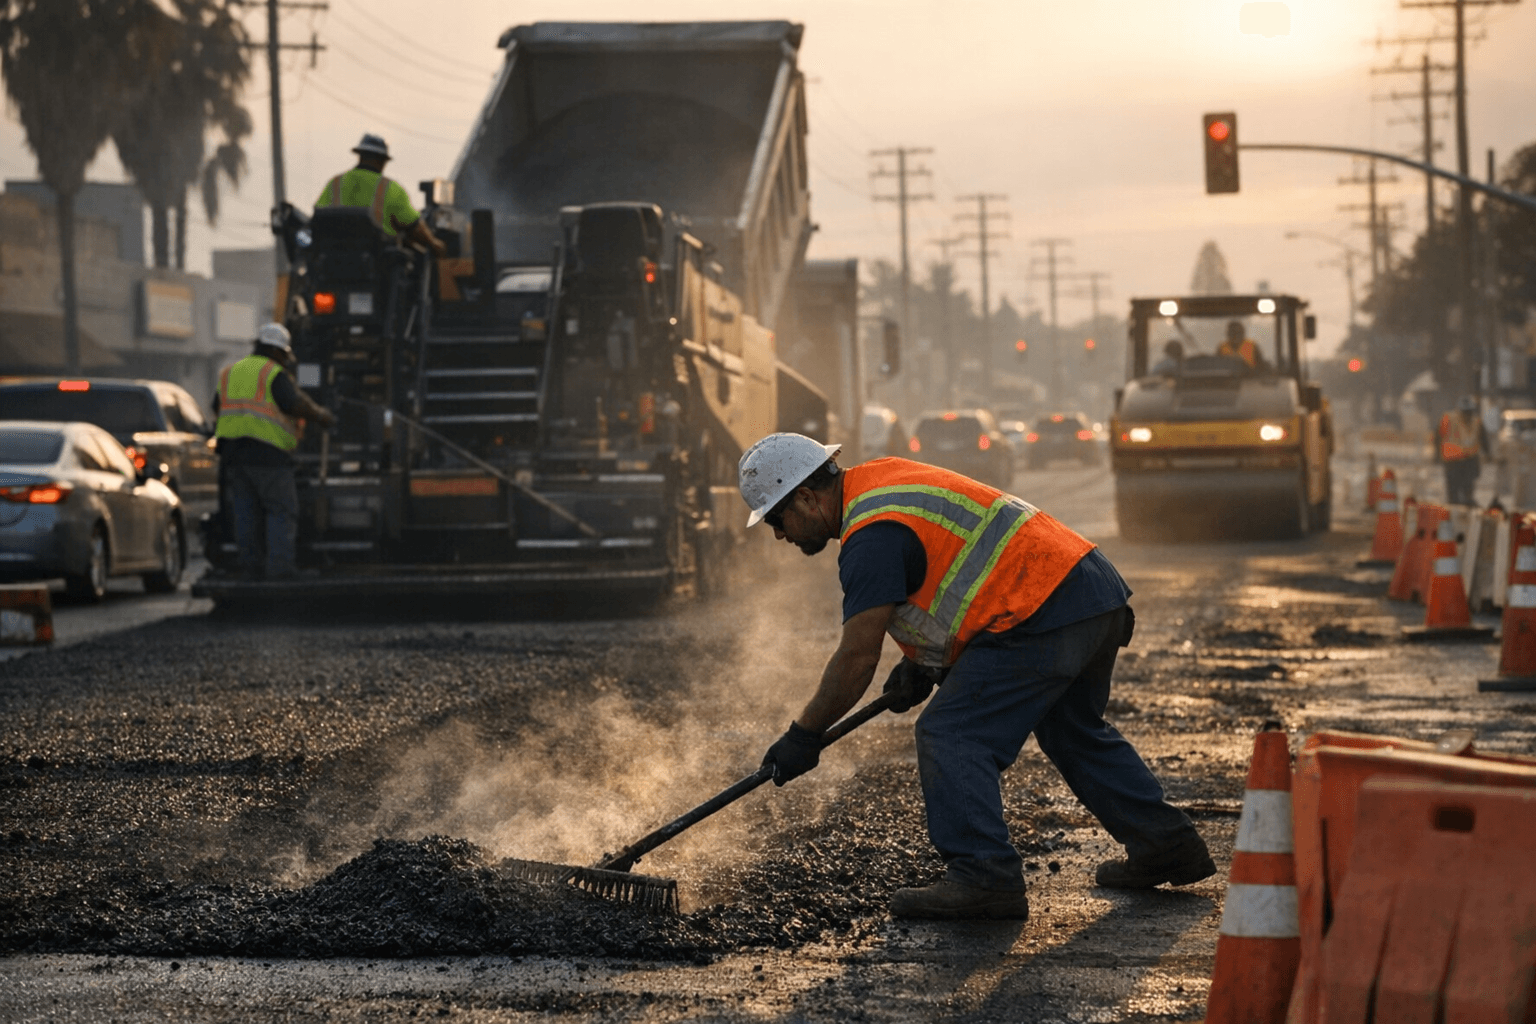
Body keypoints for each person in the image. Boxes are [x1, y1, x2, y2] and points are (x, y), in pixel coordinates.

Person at [741, 433, 1213, 921]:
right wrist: (921, 663)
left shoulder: (870, 536)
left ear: (804, 497)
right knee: (1073, 731)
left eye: (777, 520)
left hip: (1040, 609)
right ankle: (1166, 845)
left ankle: (984, 877)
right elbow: (956, 574)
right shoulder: (882, 480)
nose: (779, 534)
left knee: (952, 732)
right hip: (1088, 590)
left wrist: (804, 734)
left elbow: (857, 658)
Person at [213, 323, 335, 580]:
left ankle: (250, 567)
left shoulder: (230, 372)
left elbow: (218, 406)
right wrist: (321, 415)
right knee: (281, 510)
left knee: (245, 513)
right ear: (277, 350)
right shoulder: (272, 373)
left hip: (234, 456)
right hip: (267, 455)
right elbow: (294, 403)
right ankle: (280, 569)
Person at [315, 133, 447, 256]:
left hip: (332, 262)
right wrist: (435, 244)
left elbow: (318, 217)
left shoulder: (335, 183)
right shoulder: (390, 189)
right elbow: (413, 225)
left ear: (360, 156)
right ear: (383, 161)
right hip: (377, 265)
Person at [1438, 395, 1489, 506]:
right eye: (1465, 412)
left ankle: (1466, 507)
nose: (1467, 415)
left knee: (1468, 489)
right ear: (1459, 410)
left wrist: (1488, 454)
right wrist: (1436, 455)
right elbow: (1438, 436)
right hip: (1452, 460)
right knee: (1453, 492)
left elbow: (1483, 439)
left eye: (1469, 412)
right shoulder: (1449, 418)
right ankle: (1453, 512)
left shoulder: (1476, 422)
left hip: (1469, 460)